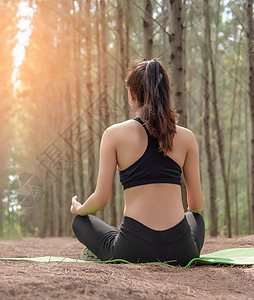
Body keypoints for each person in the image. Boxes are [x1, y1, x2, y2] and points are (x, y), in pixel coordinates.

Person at [70, 58, 205, 266]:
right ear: (165, 93)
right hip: (182, 251)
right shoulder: (186, 137)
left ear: (132, 95)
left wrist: (79, 209)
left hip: (132, 250)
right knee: (196, 218)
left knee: (80, 222)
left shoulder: (113, 134)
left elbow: (101, 199)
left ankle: (105, 245)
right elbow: (196, 205)